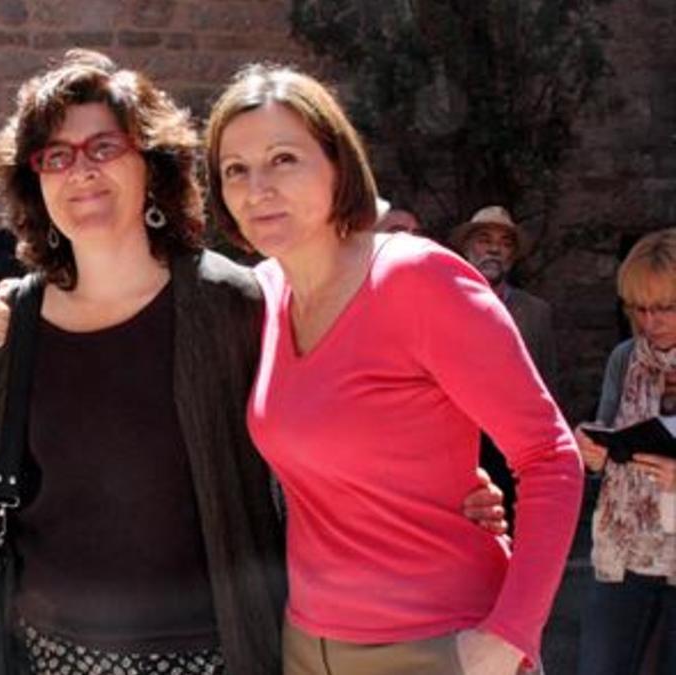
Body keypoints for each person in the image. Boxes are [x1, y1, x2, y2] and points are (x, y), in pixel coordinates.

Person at [0, 50, 508, 675]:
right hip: (46, 651)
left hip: (211, 650)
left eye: (104, 147)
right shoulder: (20, 318)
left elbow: (325, 428)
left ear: (151, 165)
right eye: (56, 156)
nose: (81, 172)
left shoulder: (234, 302)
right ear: (35, 183)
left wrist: (447, 492)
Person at [204, 63, 583, 674]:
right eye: (235, 170)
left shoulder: (416, 279)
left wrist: (509, 636)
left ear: (338, 165)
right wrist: (24, 306)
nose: (258, 188)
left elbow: (550, 457)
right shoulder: (262, 294)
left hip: (440, 643)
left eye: (283, 159)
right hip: (306, 644)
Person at [575, 228, 676, 674]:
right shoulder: (624, 358)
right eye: (639, 309)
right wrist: (594, 455)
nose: (650, 321)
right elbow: (610, 429)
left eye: (665, 308)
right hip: (624, 549)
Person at [453, 205, 561, 531]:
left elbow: (548, 383)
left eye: (505, 243)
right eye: (485, 240)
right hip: (458, 441)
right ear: (468, 248)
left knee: (512, 535)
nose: (495, 249)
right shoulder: (445, 301)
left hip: (514, 445)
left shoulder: (535, 312)